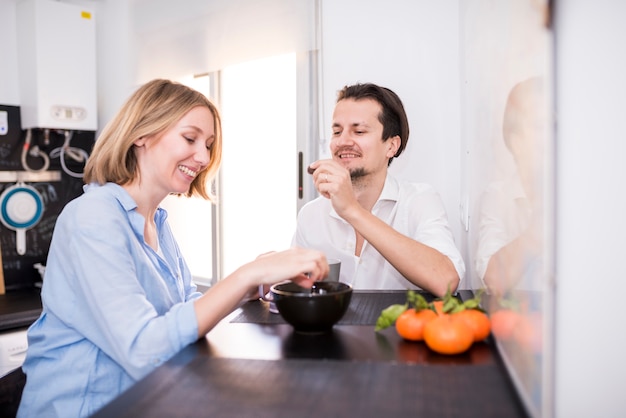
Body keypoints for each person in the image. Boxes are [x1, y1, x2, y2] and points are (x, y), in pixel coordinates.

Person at [17, 79, 328, 418]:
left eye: (209, 144)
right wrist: (245, 276)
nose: (204, 157)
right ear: (142, 134)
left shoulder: (156, 221)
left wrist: (254, 283)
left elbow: (183, 310)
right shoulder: (92, 217)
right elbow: (144, 349)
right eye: (190, 138)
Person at [292, 83, 464, 296]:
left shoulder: (419, 201)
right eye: (337, 131)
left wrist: (352, 210)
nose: (343, 141)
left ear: (391, 146)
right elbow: (296, 290)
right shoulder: (311, 215)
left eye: (359, 131)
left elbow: (446, 281)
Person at [475, 77, 547, 295]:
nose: (551, 137)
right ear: (516, 141)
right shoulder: (498, 197)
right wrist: (543, 223)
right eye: (540, 126)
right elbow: (494, 279)